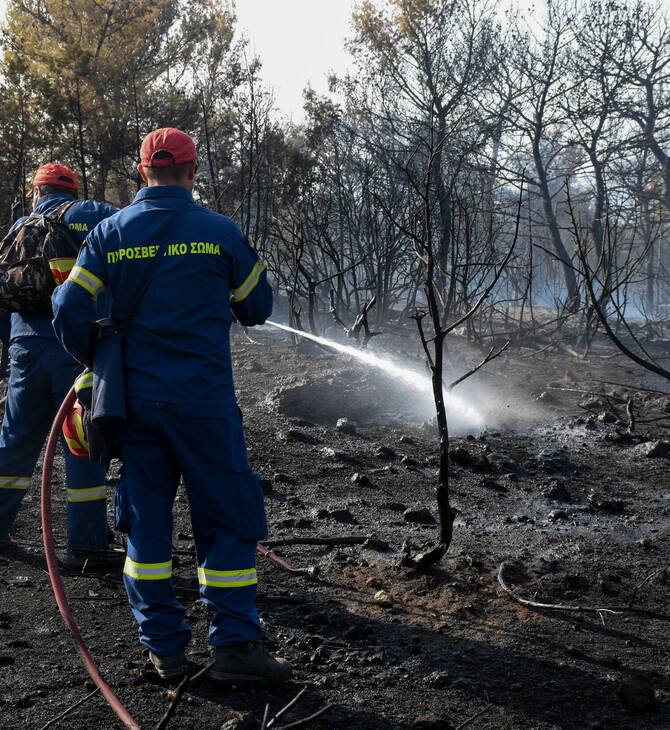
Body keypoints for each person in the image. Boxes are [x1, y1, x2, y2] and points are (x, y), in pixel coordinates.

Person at [52, 128, 292, 684]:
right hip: (205, 404)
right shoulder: (219, 232)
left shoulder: (110, 234)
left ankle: (165, 649)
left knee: (145, 524)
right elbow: (255, 306)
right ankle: (234, 648)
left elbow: (68, 305)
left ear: (142, 171)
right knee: (228, 519)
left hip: (134, 406)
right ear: (192, 171)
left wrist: (97, 355)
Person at [0, 163, 118, 568]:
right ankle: (85, 548)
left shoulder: (19, 226)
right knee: (81, 446)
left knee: (14, 442)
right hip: (75, 351)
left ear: (36, 192)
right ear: (71, 190)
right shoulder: (89, 214)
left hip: (24, 351)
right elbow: (134, 232)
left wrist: (12, 348)